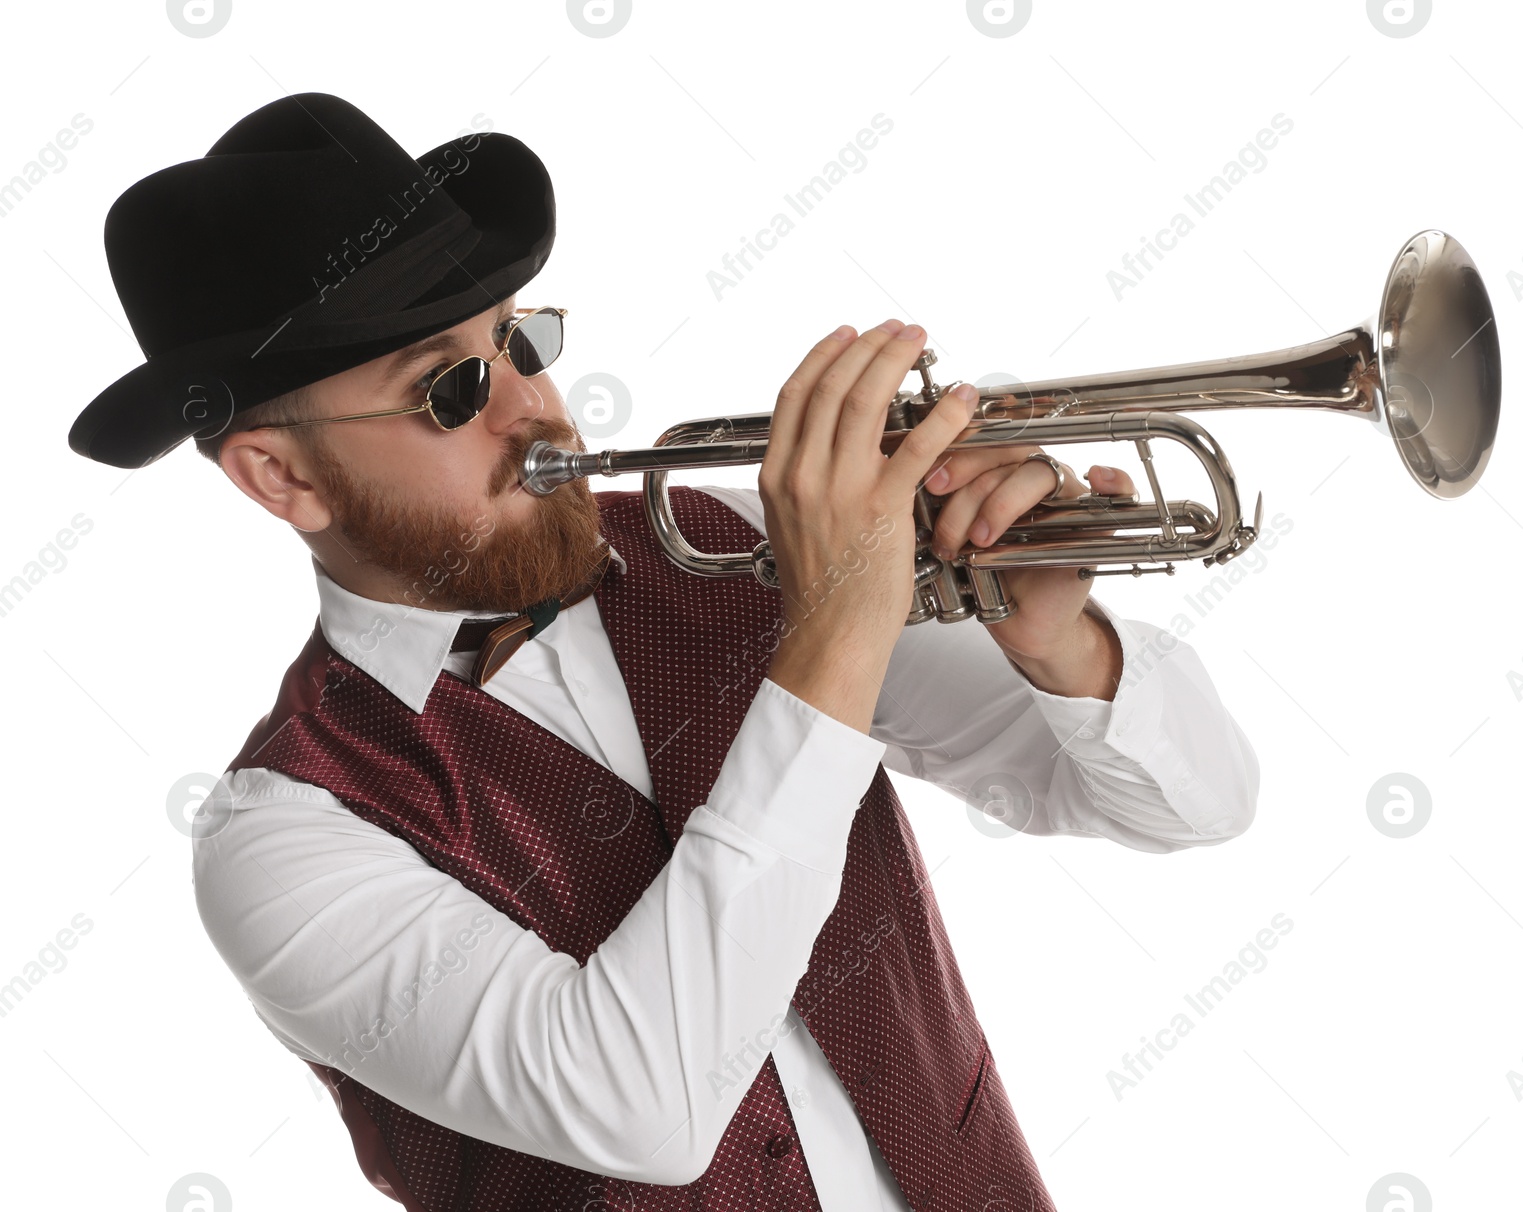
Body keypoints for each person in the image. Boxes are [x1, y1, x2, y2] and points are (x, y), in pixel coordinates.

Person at [70, 93, 1259, 1211]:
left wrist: (1057, 641)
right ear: (277, 475)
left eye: (521, 340)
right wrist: (838, 622)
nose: (531, 407)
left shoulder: (733, 544)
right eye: (449, 390)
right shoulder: (279, 839)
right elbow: (649, 1106)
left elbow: (1192, 808)